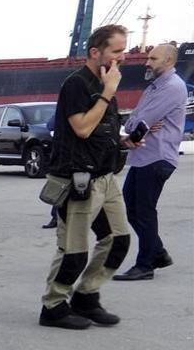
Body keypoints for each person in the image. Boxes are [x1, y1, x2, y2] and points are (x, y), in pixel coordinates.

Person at [38, 24, 135, 330]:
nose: (123, 57)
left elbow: (99, 130)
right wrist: (107, 94)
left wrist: (123, 141)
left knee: (118, 240)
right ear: (96, 52)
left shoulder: (107, 81)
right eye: (117, 51)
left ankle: (86, 296)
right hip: (79, 179)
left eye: (124, 50)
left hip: (106, 177)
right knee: (74, 251)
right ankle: (53, 306)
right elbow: (81, 127)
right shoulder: (77, 84)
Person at [113, 43, 185, 281]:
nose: (147, 62)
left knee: (144, 211)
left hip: (157, 156)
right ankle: (158, 253)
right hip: (143, 157)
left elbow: (140, 121)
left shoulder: (172, 87)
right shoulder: (155, 87)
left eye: (153, 58)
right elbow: (136, 121)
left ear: (168, 61)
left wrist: (136, 123)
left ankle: (145, 265)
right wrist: (136, 123)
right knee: (133, 209)